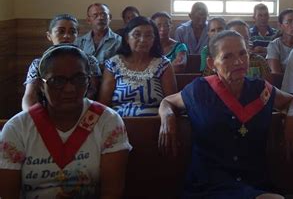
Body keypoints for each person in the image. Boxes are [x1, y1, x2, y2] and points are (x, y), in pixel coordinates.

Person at [158, 30, 293, 198]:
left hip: (253, 182)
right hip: (208, 185)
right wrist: (167, 118)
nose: (239, 61)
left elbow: (292, 101)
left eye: (243, 53)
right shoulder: (199, 90)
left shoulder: (261, 90)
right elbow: (167, 102)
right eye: (227, 57)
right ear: (212, 63)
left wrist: (292, 119)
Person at [0, 44, 131, 198]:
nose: (69, 89)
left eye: (79, 79)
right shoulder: (18, 128)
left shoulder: (107, 121)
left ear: (88, 81)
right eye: (57, 81)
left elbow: (112, 193)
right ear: (41, 86)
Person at [99, 16, 177, 117]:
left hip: (154, 124)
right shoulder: (113, 64)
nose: (143, 39)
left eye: (148, 35)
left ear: (154, 40)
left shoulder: (163, 65)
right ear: (127, 38)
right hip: (118, 125)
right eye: (137, 35)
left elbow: (171, 102)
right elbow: (104, 103)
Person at [21, 14, 101, 111]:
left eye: (72, 32)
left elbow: (92, 92)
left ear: (77, 35)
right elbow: (30, 96)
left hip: (82, 113)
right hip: (47, 114)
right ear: (49, 35)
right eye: (61, 31)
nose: (67, 36)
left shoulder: (90, 61)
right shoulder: (38, 64)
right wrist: (34, 118)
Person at [203, 20, 272, 81]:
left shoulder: (259, 61)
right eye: (236, 38)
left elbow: (268, 89)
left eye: (245, 38)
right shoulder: (216, 64)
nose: (242, 42)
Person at [75, 3, 122, 69]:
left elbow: (120, 66)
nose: (100, 18)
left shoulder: (120, 41)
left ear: (110, 18)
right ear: (88, 20)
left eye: (104, 14)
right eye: (95, 15)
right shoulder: (79, 42)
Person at [266, 8, 293, 73]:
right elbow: (275, 73)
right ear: (281, 26)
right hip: (281, 82)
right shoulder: (274, 45)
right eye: (289, 22)